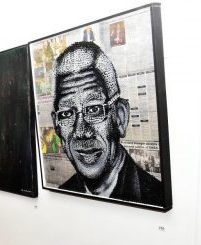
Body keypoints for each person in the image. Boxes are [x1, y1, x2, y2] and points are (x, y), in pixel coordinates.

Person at [51, 41, 163, 206]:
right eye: (67, 114)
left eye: (94, 109)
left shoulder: (154, 197)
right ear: (57, 125)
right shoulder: (64, 194)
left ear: (120, 117)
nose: (82, 131)